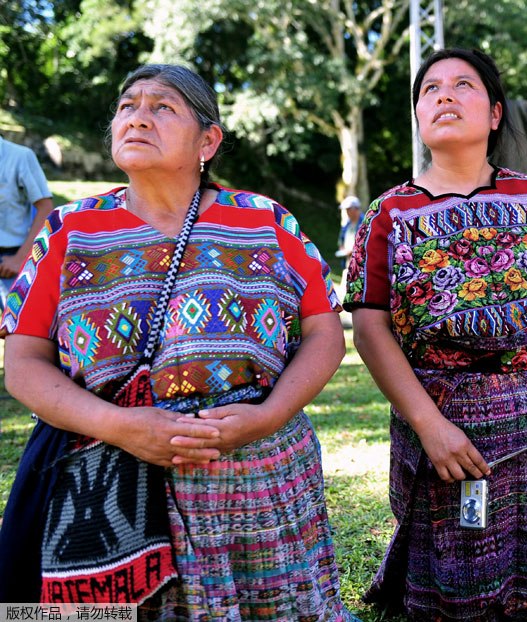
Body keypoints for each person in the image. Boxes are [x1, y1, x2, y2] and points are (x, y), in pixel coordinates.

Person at [0, 64, 357, 619]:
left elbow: (324, 334)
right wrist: (120, 426)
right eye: (127, 106)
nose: (137, 117)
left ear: (208, 141)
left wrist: (266, 418)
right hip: (108, 475)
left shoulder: (266, 222)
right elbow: (23, 364)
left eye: (162, 107)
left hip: (257, 477)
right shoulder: (70, 231)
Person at [344, 48, 527, 621]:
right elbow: (369, 328)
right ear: (418, 116)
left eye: (463, 85)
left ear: (493, 113)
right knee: (454, 573)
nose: (444, 95)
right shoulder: (388, 214)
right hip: (443, 408)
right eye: (430, 88)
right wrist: (429, 425)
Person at [0, 135, 54, 303]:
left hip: (9, 258)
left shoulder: (20, 156)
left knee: (17, 322)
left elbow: (46, 208)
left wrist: (20, 258)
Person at [335, 194, 363, 270]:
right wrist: (341, 248)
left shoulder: (364, 223)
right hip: (348, 262)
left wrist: (353, 250)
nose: (347, 212)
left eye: (348, 209)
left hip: (359, 264)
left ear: (355, 209)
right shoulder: (347, 223)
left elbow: (365, 243)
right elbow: (341, 239)